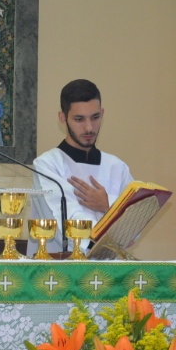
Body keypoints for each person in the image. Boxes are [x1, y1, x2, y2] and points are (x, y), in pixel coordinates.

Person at [29, 79, 134, 254]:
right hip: (62, 271)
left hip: (111, 272)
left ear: (102, 113)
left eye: (95, 118)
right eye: (79, 119)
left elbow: (133, 231)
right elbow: (67, 223)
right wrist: (114, 219)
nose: (89, 128)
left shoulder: (117, 167)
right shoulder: (47, 165)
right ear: (62, 118)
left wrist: (108, 207)